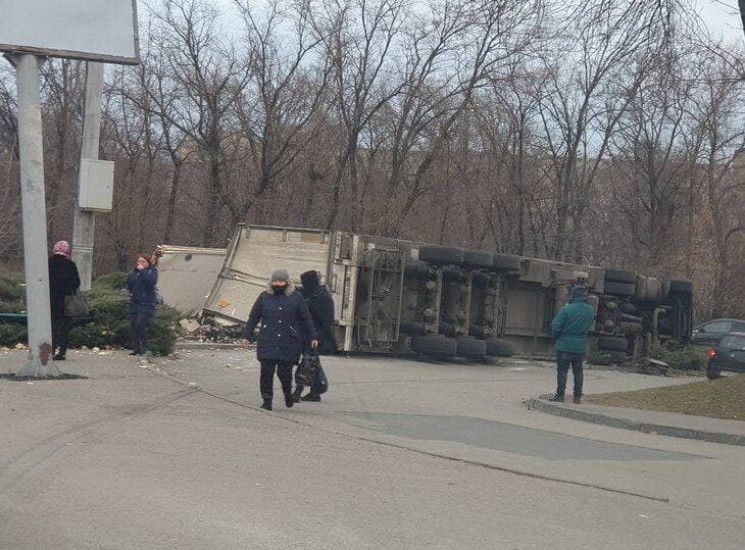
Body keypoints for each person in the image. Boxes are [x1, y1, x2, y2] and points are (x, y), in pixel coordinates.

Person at [240, 270, 318, 411]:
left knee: (284, 373)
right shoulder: (264, 297)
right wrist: (246, 335)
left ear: (287, 283)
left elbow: (306, 318)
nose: (277, 284)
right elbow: (253, 318)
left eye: (280, 282)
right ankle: (267, 399)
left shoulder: (296, 298)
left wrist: (312, 336)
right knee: (266, 372)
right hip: (268, 339)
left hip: (288, 341)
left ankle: (287, 393)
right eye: (274, 281)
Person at [293, 269, 337, 402]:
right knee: (313, 363)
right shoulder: (305, 293)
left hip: (315, 336)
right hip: (302, 333)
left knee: (307, 363)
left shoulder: (323, 298)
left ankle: (298, 390)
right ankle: (317, 389)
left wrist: (317, 336)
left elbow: (327, 322)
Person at [549, 284, 596, 404]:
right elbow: (590, 324)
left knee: (562, 371)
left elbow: (556, 326)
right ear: (584, 296)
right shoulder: (590, 310)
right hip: (580, 346)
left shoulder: (566, 309)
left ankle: (560, 395)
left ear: (572, 295)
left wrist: (556, 337)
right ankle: (577, 396)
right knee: (578, 371)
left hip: (564, 344)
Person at [48, 240, 80, 361]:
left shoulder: (48, 263)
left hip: (50, 300)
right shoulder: (71, 265)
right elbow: (76, 283)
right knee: (64, 328)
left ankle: (50, 350)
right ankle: (62, 352)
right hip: (66, 301)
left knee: (52, 326)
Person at [126, 252, 159, 356]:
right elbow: (129, 283)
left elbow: (151, 282)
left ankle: (143, 346)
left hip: (146, 303)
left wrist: (143, 271)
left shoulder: (152, 272)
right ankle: (136, 348)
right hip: (135, 303)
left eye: (143, 261)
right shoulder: (133, 272)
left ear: (148, 263)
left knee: (141, 323)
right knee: (134, 325)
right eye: (139, 261)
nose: (140, 263)